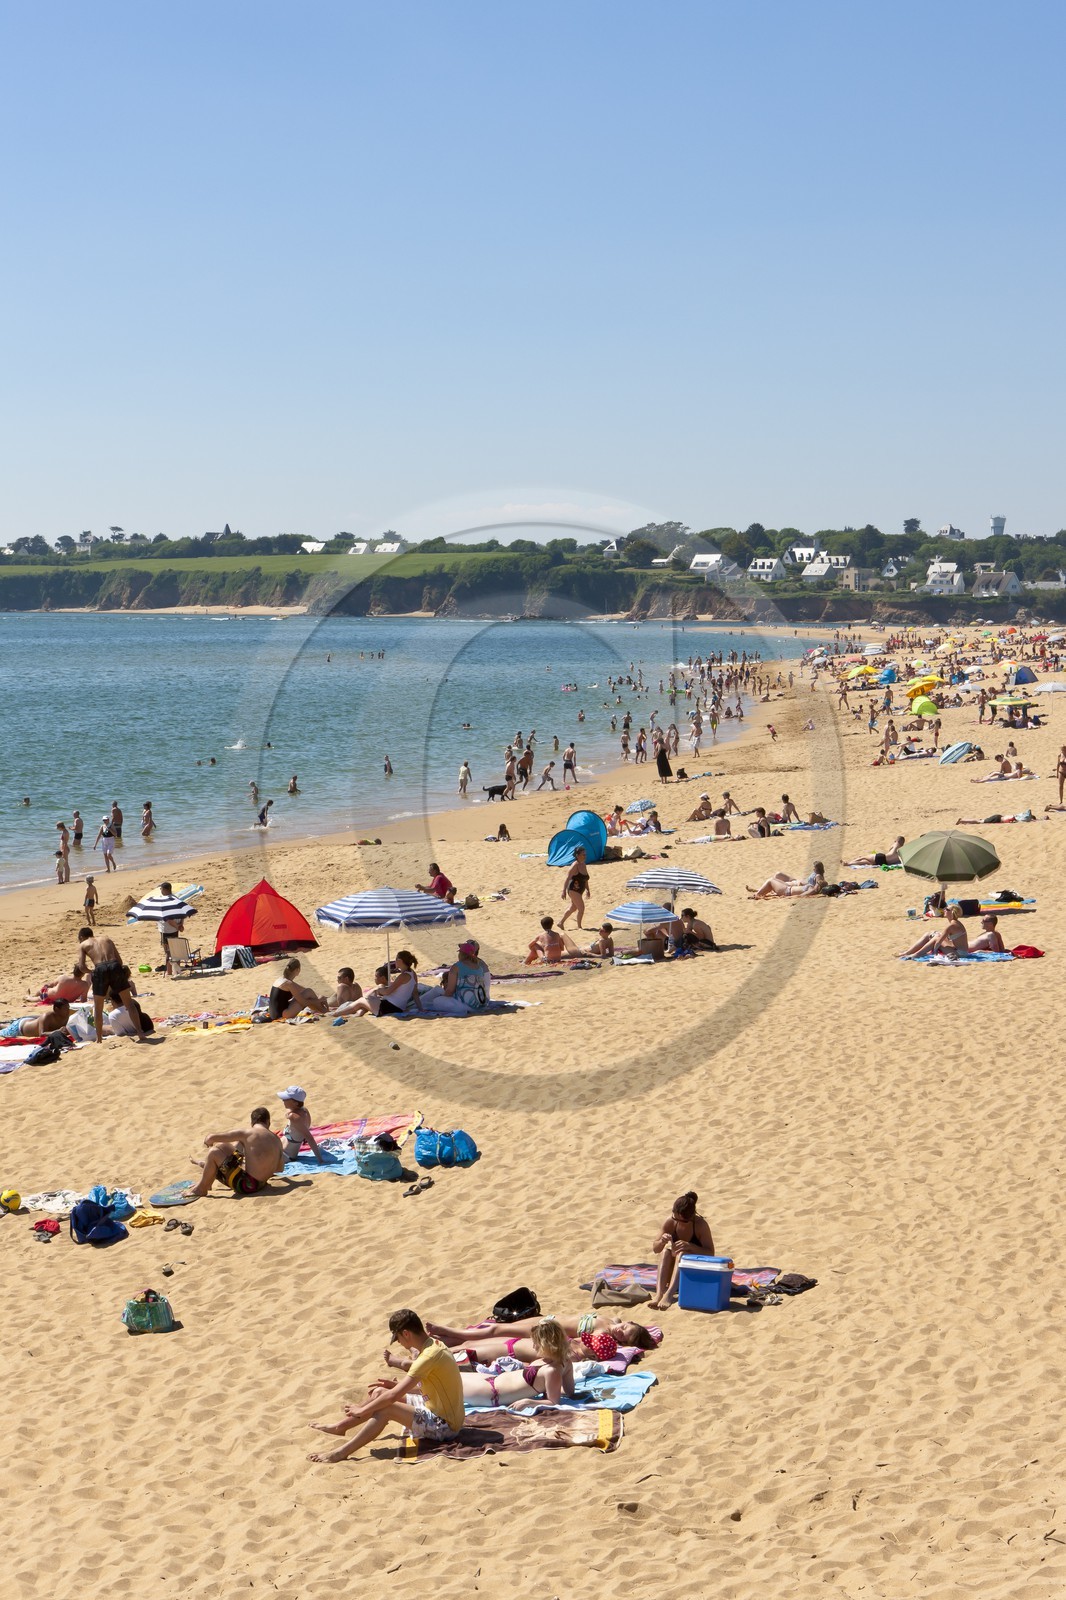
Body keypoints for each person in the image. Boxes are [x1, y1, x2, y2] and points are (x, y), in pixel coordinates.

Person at [307, 1308, 465, 1462]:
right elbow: (433, 1387)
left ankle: (341, 1453)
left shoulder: (427, 1358)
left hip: (445, 1425)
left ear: (406, 1334)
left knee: (386, 1408)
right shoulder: (435, 1345)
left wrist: (361, 1409)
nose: (400, 1343)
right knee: (380, 1392)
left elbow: (393, 1397)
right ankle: (340, 1427)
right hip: (435, 1407)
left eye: (398, 1338)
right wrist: (394, 1386)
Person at [426, 1311, 657, 1353]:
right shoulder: (613, 1320)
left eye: (621, 1336)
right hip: (549, 1318)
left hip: (547, 1329)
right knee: (498, 1332)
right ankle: (449, 1340)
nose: (619, 1330)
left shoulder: (602, 1336)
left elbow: (584, 1343)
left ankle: (446, 1333)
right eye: (625, 1327)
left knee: (497, 1329)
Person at [187, 1106, 284, 1199]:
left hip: (248, 1186)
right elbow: (280, 1168)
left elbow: (211, 1138)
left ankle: (201, 1189)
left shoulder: (248, 1133)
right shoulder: (277, 1140)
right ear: (268, 1122)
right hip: (262, 1184)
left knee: (213, 1152)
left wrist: (208, 1142)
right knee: (222, 1146)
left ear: (252, 1122)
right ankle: (207, 1181)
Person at [77, 929, 148, 1042]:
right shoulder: (106, 939)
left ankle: (99, 1038)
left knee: (98, 1008)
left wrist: (92, 972)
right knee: (129, 1004)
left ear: (81, 937)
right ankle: (140, 1032)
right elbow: (120, 961)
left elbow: (81, 967)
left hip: (100, 968)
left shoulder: (83, 944)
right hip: (114, 966)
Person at [649, 1191, 716, 1309]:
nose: (680, 1223)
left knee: (682, 1254)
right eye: (676, 1219)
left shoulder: (700, 1225)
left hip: (693, 1272)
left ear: (692, 1216)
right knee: (665, 1252)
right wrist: (662, 1242)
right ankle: (659, 1293)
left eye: (684, 1221)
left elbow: (710, 1253)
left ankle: (669, 1294)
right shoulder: (670, 1221)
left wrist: (691, 1246)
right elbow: (655, 1249)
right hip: (674, 1272)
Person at [423, 940, 492, 1015]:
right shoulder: (479, 967)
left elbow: (450, 991)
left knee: (437, 1001)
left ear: (461, 954)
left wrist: (443, 996)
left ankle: (418, 1004)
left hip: (466, 1005)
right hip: (481, 1004)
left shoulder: (457, 966)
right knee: (439, 993)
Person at [346, 951, 421, 1017]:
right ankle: (359, 1013)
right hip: (400, 1006)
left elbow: (387, 992)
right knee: (367, 1002)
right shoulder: (413, 974)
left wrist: (378, 989)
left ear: (400, 961)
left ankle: (337, 1013)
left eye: (396, 960)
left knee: (361, 1001)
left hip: (391, 1006)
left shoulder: (403, 976)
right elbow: (415, 993)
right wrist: (421, 1008)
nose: (394, 962)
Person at [899, 905, 969, 959]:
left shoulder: (951, 926)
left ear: (952, 912)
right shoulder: (956, 922)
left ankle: (916, 954)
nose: (944, 910)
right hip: (960, 951)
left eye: (947, 909)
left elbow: (938, 942)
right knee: (930, 934)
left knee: (936, 937)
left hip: (960, 954)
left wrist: (934, 952)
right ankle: (907, 952)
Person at [277, 1086, 325, 1163]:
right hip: (282, 1151)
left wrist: (320, 1160)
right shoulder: (304, 1111)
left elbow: (310, 1138)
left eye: (286, 1099)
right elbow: (306, 1127)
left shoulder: (295, 1118)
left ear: (295, 1103)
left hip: (285, 1155)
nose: (283, 1100)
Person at [1, 997, 72, 1040]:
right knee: (3, 1032)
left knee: (5, 1026)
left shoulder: (65, 1016)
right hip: (19, 1029)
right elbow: (42, 1034)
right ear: (56, 1009)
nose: (68, 1010)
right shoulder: (47, 1017)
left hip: (28, 1022)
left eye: (68, 1008)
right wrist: (58, 1031)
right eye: (65, 1009)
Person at [747, 863, 827, 899]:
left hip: (787, 890)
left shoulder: (812, 888)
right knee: (775, 877)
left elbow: (801, 896)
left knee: (770, 880)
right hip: (789, 888)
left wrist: (789, 897)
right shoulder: (812, 887)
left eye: (818, 883)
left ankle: (757, 894)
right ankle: (759, 891)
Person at [559, 846, 590, 930]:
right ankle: (579, 927)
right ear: (577, 855)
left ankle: (561, 923)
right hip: (573, 889)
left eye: (585, 854)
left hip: (580, 890)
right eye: (583, 854)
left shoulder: (583, 864)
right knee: (581, 908)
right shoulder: (574, 866)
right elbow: (567, 878)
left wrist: (588, 889)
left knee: (573, 907)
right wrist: (564, 891)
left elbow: (585, 879)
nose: (585, 856)